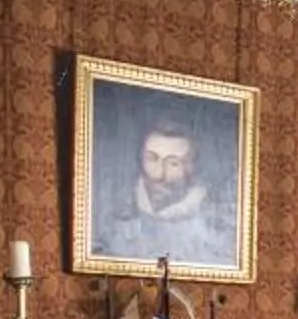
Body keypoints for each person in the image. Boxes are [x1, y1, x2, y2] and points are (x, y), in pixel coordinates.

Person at [95, 111, 238, 268]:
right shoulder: (115, 223)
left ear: (192, 168)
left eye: (173, 163)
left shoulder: (215, 229)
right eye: (152, 159)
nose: (159, 175)